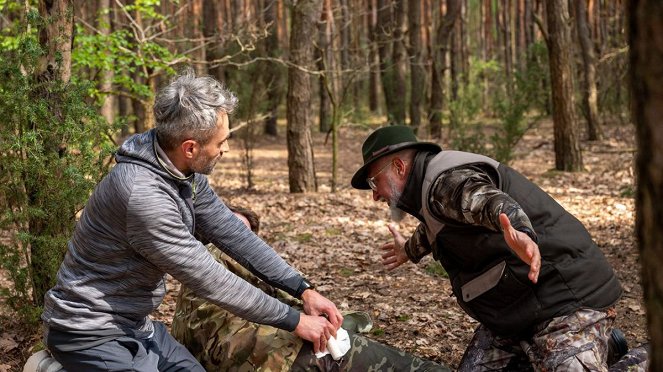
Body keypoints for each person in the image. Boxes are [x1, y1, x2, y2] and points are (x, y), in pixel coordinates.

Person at [40, 69, 343, 371]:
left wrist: (302, 289)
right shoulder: (142, 195)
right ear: (190, 148)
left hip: (135, 325)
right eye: (221, 141)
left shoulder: (181, 172)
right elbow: (210, 278)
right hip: (86, 331)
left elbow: (232, 234)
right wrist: (295, 321)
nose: (226, 148)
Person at [351, 125, 634, 371]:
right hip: (518, 310)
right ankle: (594, 348)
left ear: (399, 168)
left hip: (565, 298)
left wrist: (521, 232)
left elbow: (492, 203)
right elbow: (441, 224)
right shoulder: (429, 190)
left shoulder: (447, 183)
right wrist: (409, 250)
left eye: (375, 182)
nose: (375, 194)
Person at [171, 203, 450, 371]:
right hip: (278, 358)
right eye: (235, 228)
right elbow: (284, 299)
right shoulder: (218, 254)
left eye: (247, 234)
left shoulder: (185, 305)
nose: (242, 241)